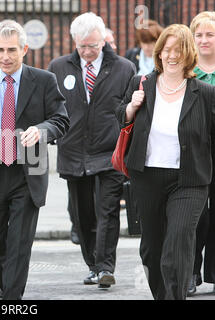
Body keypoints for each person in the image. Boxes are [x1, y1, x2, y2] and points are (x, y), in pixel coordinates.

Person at [0, 20, 68, 300]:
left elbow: (61, 119)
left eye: (11, 50)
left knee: (19, 243)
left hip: (26, 173)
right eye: (0, 50)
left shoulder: (44, 80)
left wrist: (41, 130)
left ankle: (11, 299)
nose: (5, 57)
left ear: (25, 50)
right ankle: (8, 286)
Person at [116, 24, 215, 300]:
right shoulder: (142, 84)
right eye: (167, 50)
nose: (172, 56)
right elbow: (120, 118)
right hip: (147, 177)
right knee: (152, 250)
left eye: (179, 51)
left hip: (190, 181)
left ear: (189, 55)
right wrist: (130, 108)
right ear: (159, 53)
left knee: (178, 245)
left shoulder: (205, 94)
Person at [48, 12, 135, 289]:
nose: (87, 52)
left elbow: (132, 109)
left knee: (107, 210)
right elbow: (52, 107)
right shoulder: (58, 67)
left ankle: (106, 267)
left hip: (110, 152)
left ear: (103, 40)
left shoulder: (123, 68)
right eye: (82, 46)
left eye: (93, 46)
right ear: (74, 41)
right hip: (73, 151)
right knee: (82, 214)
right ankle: (93, 265)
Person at [188, 11, 215, 296]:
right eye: (199, 35)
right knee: (192, 214)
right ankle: (190, 272)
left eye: (210, 34)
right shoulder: (185, 71)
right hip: (191, 154)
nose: (204, 40)